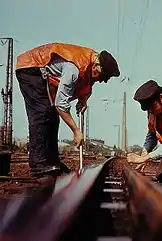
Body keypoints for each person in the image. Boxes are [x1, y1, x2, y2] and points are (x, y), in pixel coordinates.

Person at [15, 42, 120, 177]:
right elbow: (61, 104)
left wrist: (83, 99)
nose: (100, 81)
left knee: (52, 116)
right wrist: (76, 131)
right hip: (31, 68)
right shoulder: (74, 70)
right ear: (96, 68)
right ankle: (38, 164)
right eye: (100, 77)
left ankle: (52, 161)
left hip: (39, 71)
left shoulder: (90, 62)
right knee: (41, 113)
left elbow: (88, 83)